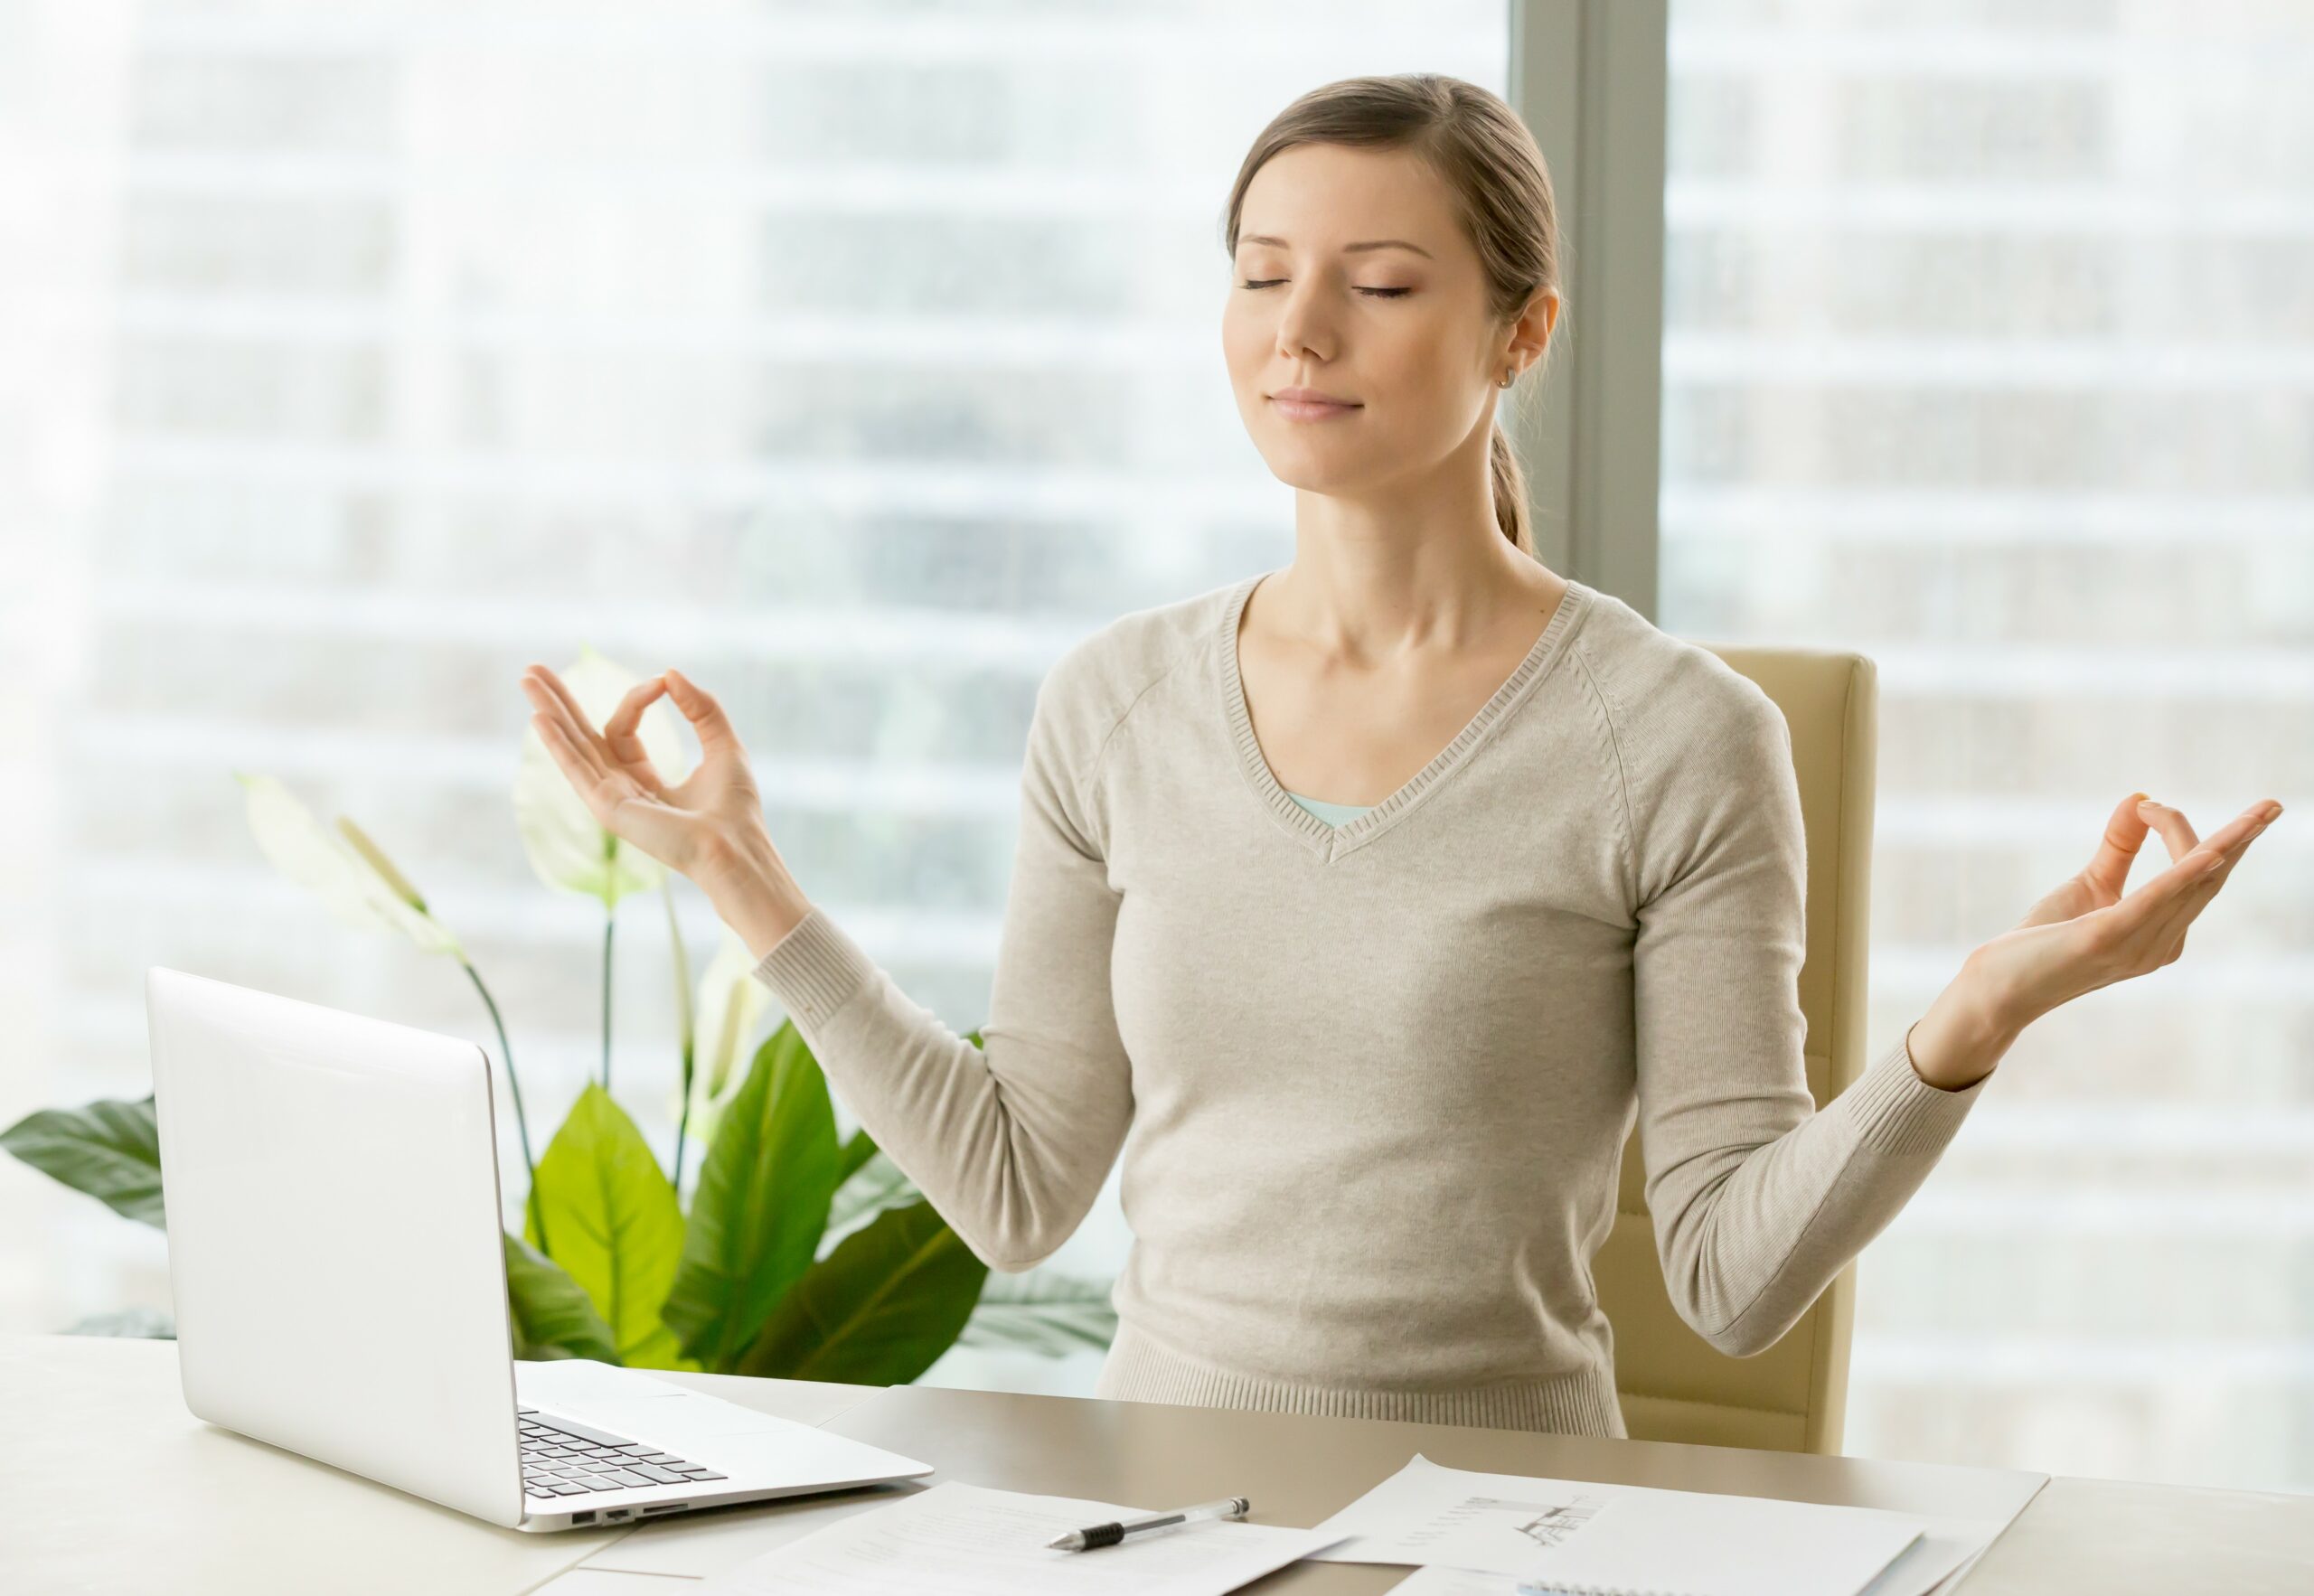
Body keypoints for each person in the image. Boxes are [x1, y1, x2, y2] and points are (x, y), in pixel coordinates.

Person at [517, 74, 2281, 1437]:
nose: (1297, 334)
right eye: (1261, 276)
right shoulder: (1112, 701)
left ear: (1520, 334)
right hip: (1160, 1521)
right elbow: (1011, 1191)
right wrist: (730, 869)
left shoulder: (1675, 740)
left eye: (1374, 283)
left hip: (1503, 1525)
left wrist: (1967, 1019)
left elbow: (1730, 1283)